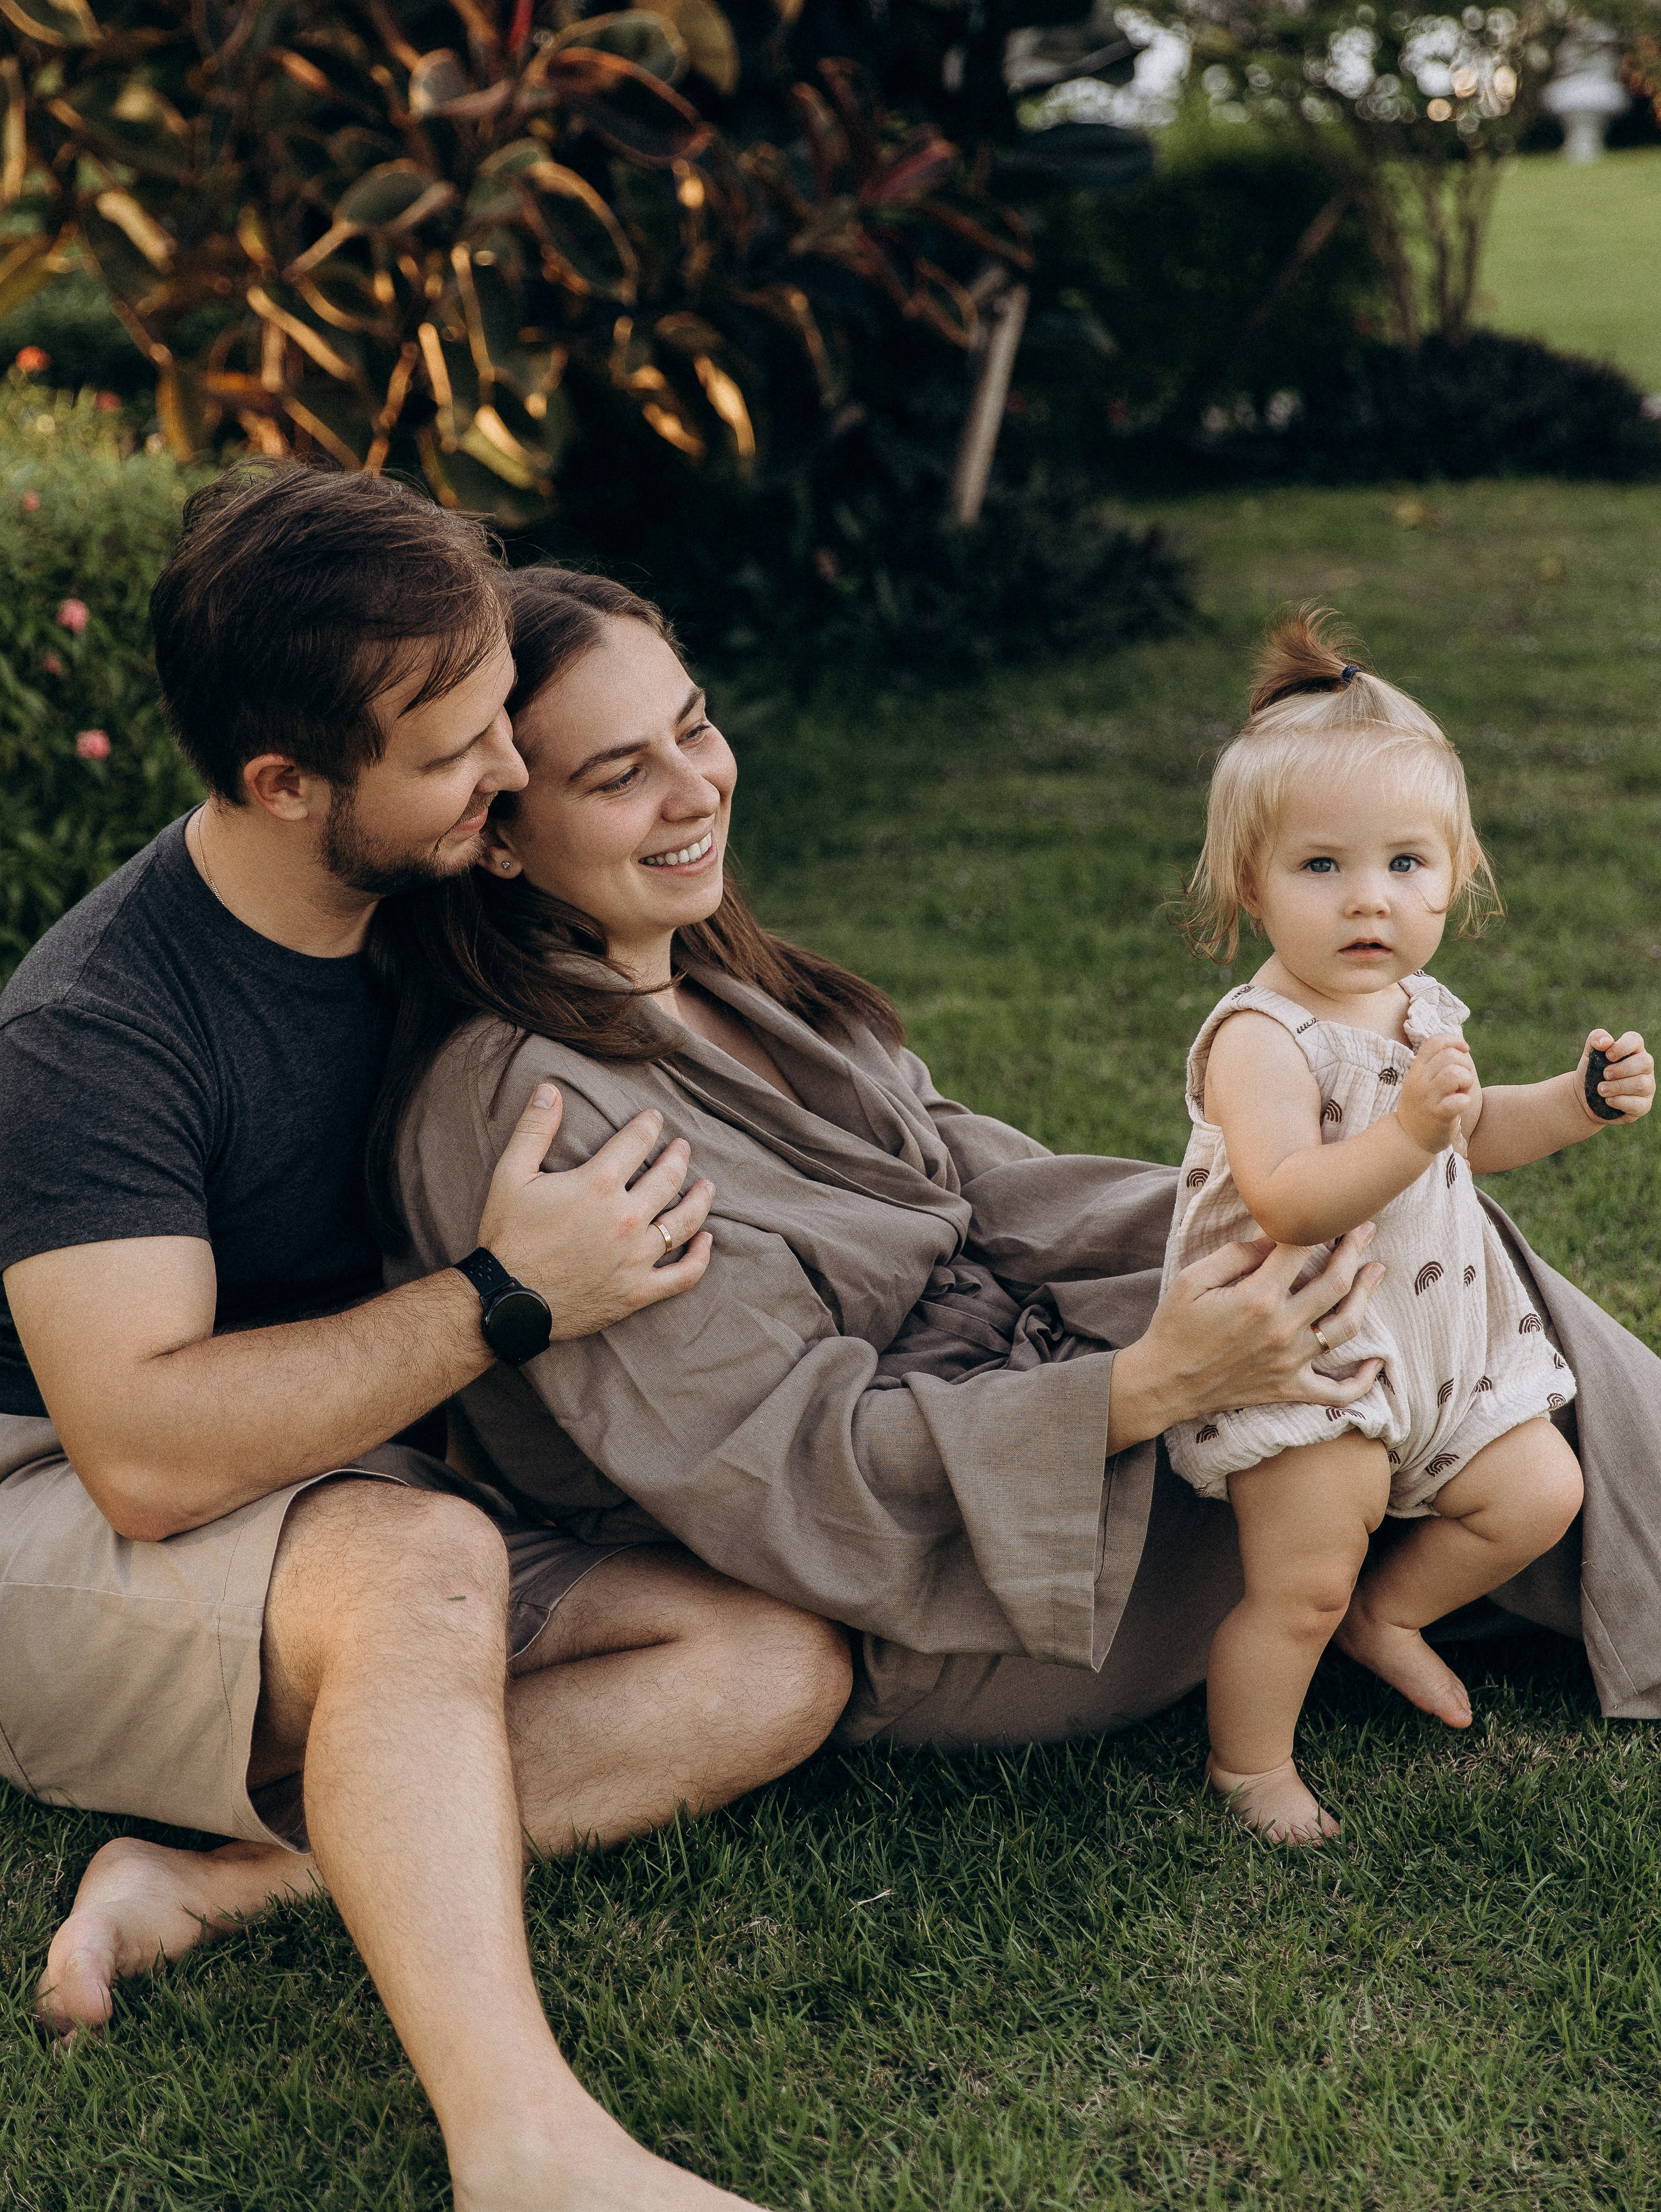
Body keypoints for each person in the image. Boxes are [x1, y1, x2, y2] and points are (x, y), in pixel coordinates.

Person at [372, 564, 1661, 1775]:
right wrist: (1150, 1381)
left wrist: (1214, 1241)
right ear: (496, 832)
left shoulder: (714, 980)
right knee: (1360, 1376)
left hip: (1023, 1379)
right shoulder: (542, 1114)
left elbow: (971, 1174)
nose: (694, 788)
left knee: (1408, 1248)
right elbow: (783, 1460)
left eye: (692, 727)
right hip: (929, 1564)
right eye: (617, 777)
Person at [0, 467, 855, 2212]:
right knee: (422, 1567)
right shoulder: (95, 1031)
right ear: (285, 783)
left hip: (342, 1476)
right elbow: (142, 1456)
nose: (517, 773)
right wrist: (502, 1297)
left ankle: (214, 1884)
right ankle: (525, 2147)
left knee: (778, 1663)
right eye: (463, 748)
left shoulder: (428, 910)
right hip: (52, 1510)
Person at [1161, 610, 1652, 1845]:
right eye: (1321, 866)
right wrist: (1405, 1133)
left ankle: (1392, 1617)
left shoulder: (1416, 1006)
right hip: (1309, 1354)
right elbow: (1286, 1193)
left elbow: (1476, 1131)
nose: (1368, 898)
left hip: (1441, 1345)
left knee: (1540, 1489)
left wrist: (1576, 1104)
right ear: (1250, 884)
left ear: (1455, 874)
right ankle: (1250, 1762)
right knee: (1301, 1582)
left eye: (1405, 865)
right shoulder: (1259, 1038)